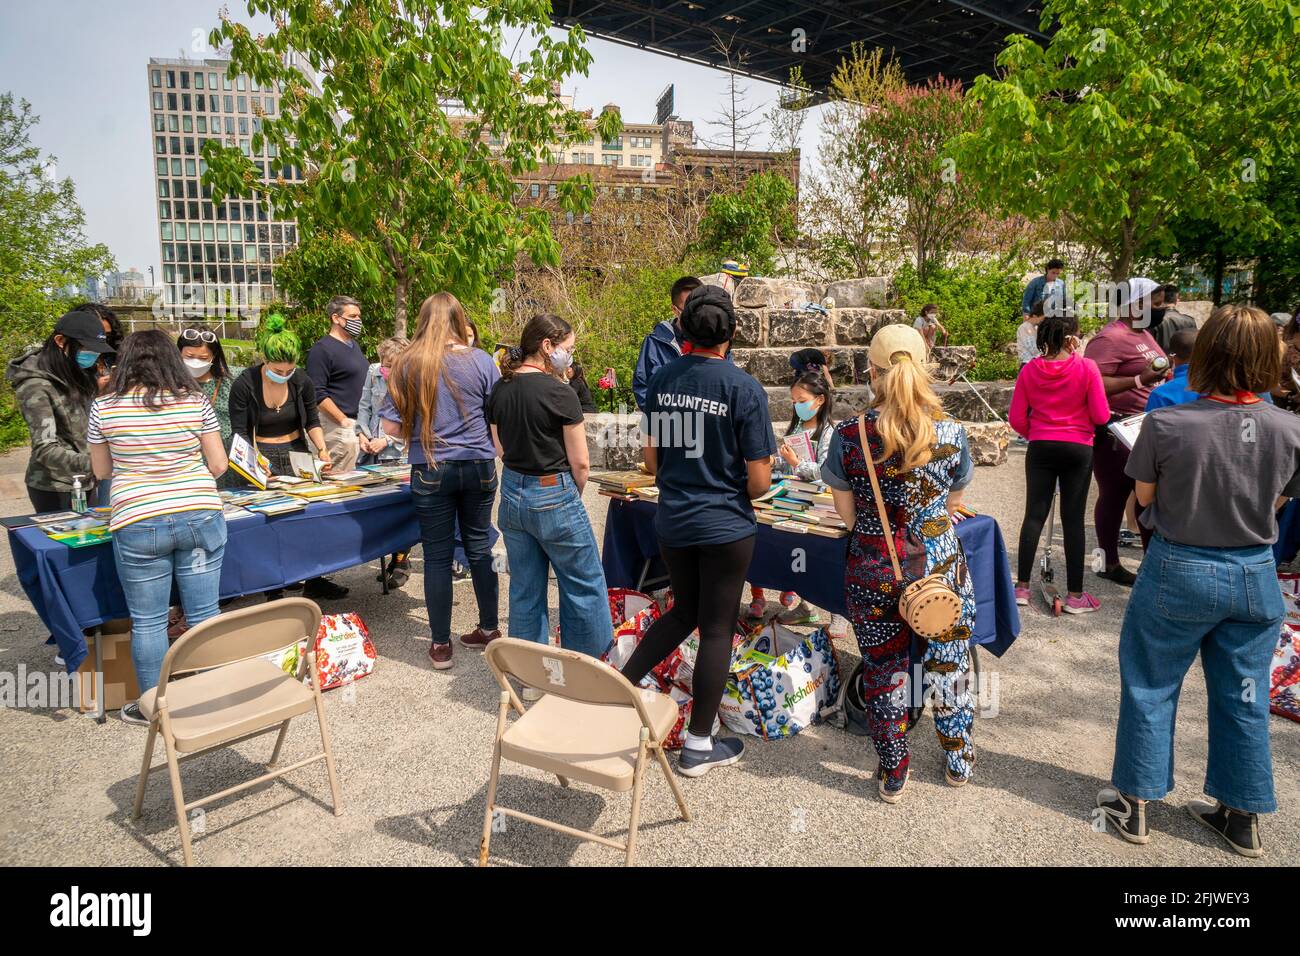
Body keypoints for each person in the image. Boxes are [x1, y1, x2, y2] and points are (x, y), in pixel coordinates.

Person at [1097, 305, 1300, 857]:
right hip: (1254, 571)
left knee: (1151, 682)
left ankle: (1135, 802)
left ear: (1204, 353)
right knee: (1245, 693)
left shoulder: (1167, 423)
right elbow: (1279, 502)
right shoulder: (1290, 428)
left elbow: (1143, 499)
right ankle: (1242, 813)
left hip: (1179, 564)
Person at [621, 284, 775, 777]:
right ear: (731, 333)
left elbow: (652, 459)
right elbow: (759, 481)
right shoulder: (743, 388)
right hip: (726, 524)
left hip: (675, 519)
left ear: (683, 329)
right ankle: (699, 745)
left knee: (683, 609)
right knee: (716, 627)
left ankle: (621, 686)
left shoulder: (665, 380)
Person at [821, 324, 976, 802]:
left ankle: (893, 772)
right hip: (939, 564)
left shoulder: (848, 435)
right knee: (949, 663)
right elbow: (953, 501)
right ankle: (957, 761)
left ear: (872, 372)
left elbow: (847, 515)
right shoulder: (951, 433)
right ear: (923, 367)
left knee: (884, 670)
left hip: (874, 566)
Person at [87, 330, 228, 726]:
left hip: (137, 519)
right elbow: (218, 465)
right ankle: (212, 696)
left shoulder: (105, 407)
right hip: (199, 514)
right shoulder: (195, 401)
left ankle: (153, 708)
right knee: (204, 613)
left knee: (148, 620)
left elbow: (102, 471)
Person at [381, 293, 501, 671]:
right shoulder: (482, 361)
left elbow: (390, 427)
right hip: (479, 463)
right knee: (480, 547)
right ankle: (489, 629)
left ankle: (439, 644)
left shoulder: (406, 364)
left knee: (436, 554)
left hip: (431, 465)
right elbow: (498, 416)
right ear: (458, 319)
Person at [488, 314, 611, 681]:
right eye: (567, 349)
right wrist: (570, 495)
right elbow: (581, 462)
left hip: (512, 490)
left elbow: (500, 448)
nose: (569, 357)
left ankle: (530, 680)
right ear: (547, 346)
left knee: (525, 588)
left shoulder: (500, 389)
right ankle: (590, 677)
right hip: (553, 489)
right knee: (584, 585)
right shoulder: (561, 393)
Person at [229, 315, 346, 601]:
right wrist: (255, 465)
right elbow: (239, 432)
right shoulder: (245, 384)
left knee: (307, 519)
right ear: (264, 361)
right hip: (262, 456)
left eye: (289, 369)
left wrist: (322, 449)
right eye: (278, 369)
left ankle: (314, 578)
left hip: (297, 453)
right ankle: (273, 588)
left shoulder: (301, 380)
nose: (284, 374)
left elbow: (312, 420)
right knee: (270, 524)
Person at [1009, 310, 1110, 613]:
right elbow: (1101, 415)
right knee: (1073, 519)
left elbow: (1016, 418)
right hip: (1078, 447)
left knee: (1034, 515)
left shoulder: (1029, 371)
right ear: (1072, 338)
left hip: (1041, 445)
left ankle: (1022, 587)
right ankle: (1076, 595)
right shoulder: (1087, 367)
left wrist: (1038, 432)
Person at [1083, 278, 1168, 585]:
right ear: (1134, 304)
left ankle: (1152, 563)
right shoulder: (1109, 338)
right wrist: (1138, 380)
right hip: (1118, 430)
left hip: (1146, 426)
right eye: (1155, 303)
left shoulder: (1143, 333)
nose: (1162, 309)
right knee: (1116, 494)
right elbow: (1092, 382)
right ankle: (1107, 562)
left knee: (1147, 496)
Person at [747, 371, 835, 627]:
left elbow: (827, 471)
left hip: (816, 505)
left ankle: (822, 609)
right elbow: (785, 469)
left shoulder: (829, 433)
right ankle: (763, 593)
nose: (797, 406)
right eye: (794, 401)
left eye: (801, 400)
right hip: (788, 499)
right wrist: (772, 462)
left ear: (819, 400)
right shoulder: (796, 427)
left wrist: (797, 463)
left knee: (811, 560)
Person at [6, 309, 113, 512]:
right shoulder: (35, 384)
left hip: (87, 480)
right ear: (61, 341)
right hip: (56, 487)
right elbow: (44, 449)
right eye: (86, 349)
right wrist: (98, 463)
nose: (92, 356)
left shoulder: (75, 371)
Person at [306, 295, 368, 472]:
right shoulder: (322, 350)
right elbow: (317, 393)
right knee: (339, 482)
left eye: (359, 316)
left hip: (357, 427)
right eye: (353, 316)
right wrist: (343, 420)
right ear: (336, 318)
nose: (358, 321)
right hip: (338, 429)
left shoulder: (353, 345)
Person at [177, 327, 243, 488]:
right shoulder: (171, 385)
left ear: (214, 357)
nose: (196, 362)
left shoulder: (232, 380)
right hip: (189, 459)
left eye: (203, 358)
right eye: (190, 357)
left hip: (226, 456)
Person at [632, 276, 702, 411]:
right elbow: (642, 386)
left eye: (699, 307)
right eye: (689, 310)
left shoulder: (715, 340)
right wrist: (661, 421)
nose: (696, 314)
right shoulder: (655, 342)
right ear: (675, 310)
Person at [357, 336, 409, 465]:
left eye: (397, 366)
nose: (392, 371)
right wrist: (362, 434)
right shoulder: (374, 373)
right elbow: (364, 406)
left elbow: (413, 423)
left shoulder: (412, 381)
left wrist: (387, 441)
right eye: (388, 366)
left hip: (397, 453)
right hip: (370, 449)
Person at [1147, 284, 1198, 354]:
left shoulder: (1154, 320)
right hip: (1184, 361)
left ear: (1161, 298)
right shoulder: (1190, 320)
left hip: (1161, 361)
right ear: (1177, 300)